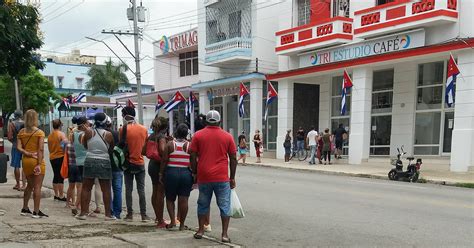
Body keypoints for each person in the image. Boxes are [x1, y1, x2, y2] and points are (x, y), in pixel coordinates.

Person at [190, 110, 237, 243]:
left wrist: (194, 172)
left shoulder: (198, 135)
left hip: (204, 176)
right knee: (224, 205)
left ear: (205, 122)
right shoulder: (227, 136)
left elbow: (192, 155)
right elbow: (233, 158)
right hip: (222, 177)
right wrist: (232, 177)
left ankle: (200, 230)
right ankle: (224, 234)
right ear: (219, 121)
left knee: (203, 203)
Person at [76, 113, 115, 220]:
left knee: (86, 187)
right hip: (104, 161)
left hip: (90, 160)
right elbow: (111, 148)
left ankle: (83, 213)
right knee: (106, 189)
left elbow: (85, 145)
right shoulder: (108, 134)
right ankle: (108, 214)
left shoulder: (88, 132)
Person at [160, 123, 193, 231]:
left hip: (171, 173)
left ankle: (173, 222)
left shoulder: (170, 144)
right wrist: (194, 174)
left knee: (170, 198)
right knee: (184, 199)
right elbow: (193, 162)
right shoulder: (189, 145)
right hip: (185, 173)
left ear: (176, 132)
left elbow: (164, 160)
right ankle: (182, 224)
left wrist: (161, 173)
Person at [121, 106, 150, 222]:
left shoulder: (123, 129)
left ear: (125, 115)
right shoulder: (144, 129)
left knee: (128, 189)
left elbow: (121, 146)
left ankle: (130, 214)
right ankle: (144, 215)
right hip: (140, 162)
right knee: (141, 190)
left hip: (127, 162)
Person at [17, 109, 48, 218]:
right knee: (37, 187)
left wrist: (27, 153)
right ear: (35, 118)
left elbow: (19, 147)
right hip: (36, 160)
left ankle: (25, 208)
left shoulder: (22, 132)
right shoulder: (39, 132)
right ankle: (36, 211)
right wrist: (39, 164)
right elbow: (40, 149)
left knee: (29, 186)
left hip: (26, 160)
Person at [143, 116, 168, 227]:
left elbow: (143, 151)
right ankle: (160, 220)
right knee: (160, 193)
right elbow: (162, 151)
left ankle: (158, 217)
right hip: (159, 166)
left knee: (155, 191)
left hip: (152, 165)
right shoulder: (161, 137)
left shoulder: (151, 136)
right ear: (164, 126)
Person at [67, 116, 88, 215]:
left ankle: (78, 205)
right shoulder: (85, 135)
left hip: (78, 160)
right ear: (84, 123)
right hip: (85, 161)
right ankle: (77, 205)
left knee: (82, 185)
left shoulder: (73, 134)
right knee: (84, 186)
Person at [106, 116, 123, 219]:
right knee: (118, 190)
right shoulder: (116, 134)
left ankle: (110, 211)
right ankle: (117, 213)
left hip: (106, 164)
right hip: (117, 165)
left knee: (107, 189)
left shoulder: (100, 134)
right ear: (111, 124)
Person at [47, 119, 68, 201]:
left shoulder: (50, 135)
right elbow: (66, 144)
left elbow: (49, 148)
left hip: (52, 157)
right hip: (60, 156)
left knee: (55, 175)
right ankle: (61, 195)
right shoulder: (61, 134)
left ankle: (56, 195)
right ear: (59, 126)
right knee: (61, 176)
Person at [7, 110, 26, 191]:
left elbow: (9, 137)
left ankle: (18, 184)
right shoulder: (25, 123)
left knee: (16, 166)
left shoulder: (12, 124)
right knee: (24, 166)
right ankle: (24, 185)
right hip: (25, 146)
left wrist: (14, 142)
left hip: (15, 146)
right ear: (21, 115)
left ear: (14, 115)